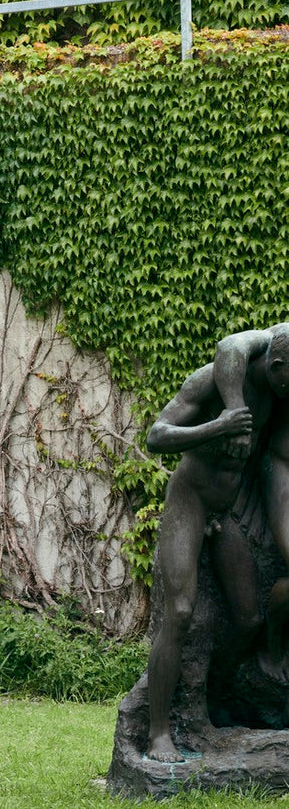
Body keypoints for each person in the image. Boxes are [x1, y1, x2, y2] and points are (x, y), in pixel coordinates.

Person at [145, 323, 289, 763]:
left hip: (227, 513)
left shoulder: (277, 393)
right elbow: (156, 437)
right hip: (191, 500)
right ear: (279, 368)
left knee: (248, 618)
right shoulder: (210, 379)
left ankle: (215, 700)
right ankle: (158, 733)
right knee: (181, 611)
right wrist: (219, 426)